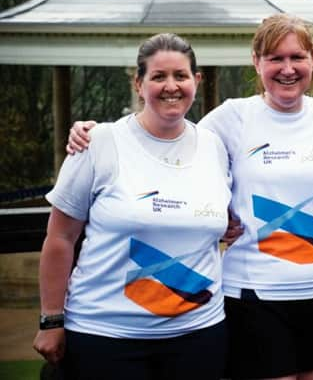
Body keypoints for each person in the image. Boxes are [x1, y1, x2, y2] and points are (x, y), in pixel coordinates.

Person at [66, 14, 313, 380]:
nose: (287, 68)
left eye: (297, 57)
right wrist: (92, 131)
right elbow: (167, 143)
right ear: (256, 61)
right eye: (275, 58)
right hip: (254, 292)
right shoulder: (231, 118)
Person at [33, 33, 232, 379]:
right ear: (139, 84)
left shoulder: (214, 146)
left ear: (196, 81)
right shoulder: (99, 142)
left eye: (181, 76)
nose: (171, 86)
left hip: (198, 334)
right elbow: (60, 238)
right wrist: (51, 319)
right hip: (106, 336)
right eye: (158, 77)